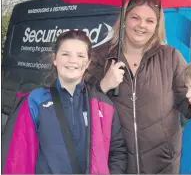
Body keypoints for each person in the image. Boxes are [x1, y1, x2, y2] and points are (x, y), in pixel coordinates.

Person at [86, 0, 191, 174]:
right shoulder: (100, 57)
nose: (141, 25)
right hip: (115, 164)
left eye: (150, 21)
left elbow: (189, 104)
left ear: (157, 25)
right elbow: (76, 106)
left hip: (162, 166)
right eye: (135, 17)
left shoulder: (171, 57)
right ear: (124, 19)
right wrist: (102, 86)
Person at [2, 30, 127, 174]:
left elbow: (117, 152)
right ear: (55, 59)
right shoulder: (35, 101)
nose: (72, 61)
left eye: (80, 55)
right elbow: (17, 156)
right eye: (65, 54)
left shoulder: (104, 105)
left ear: (87, 63)